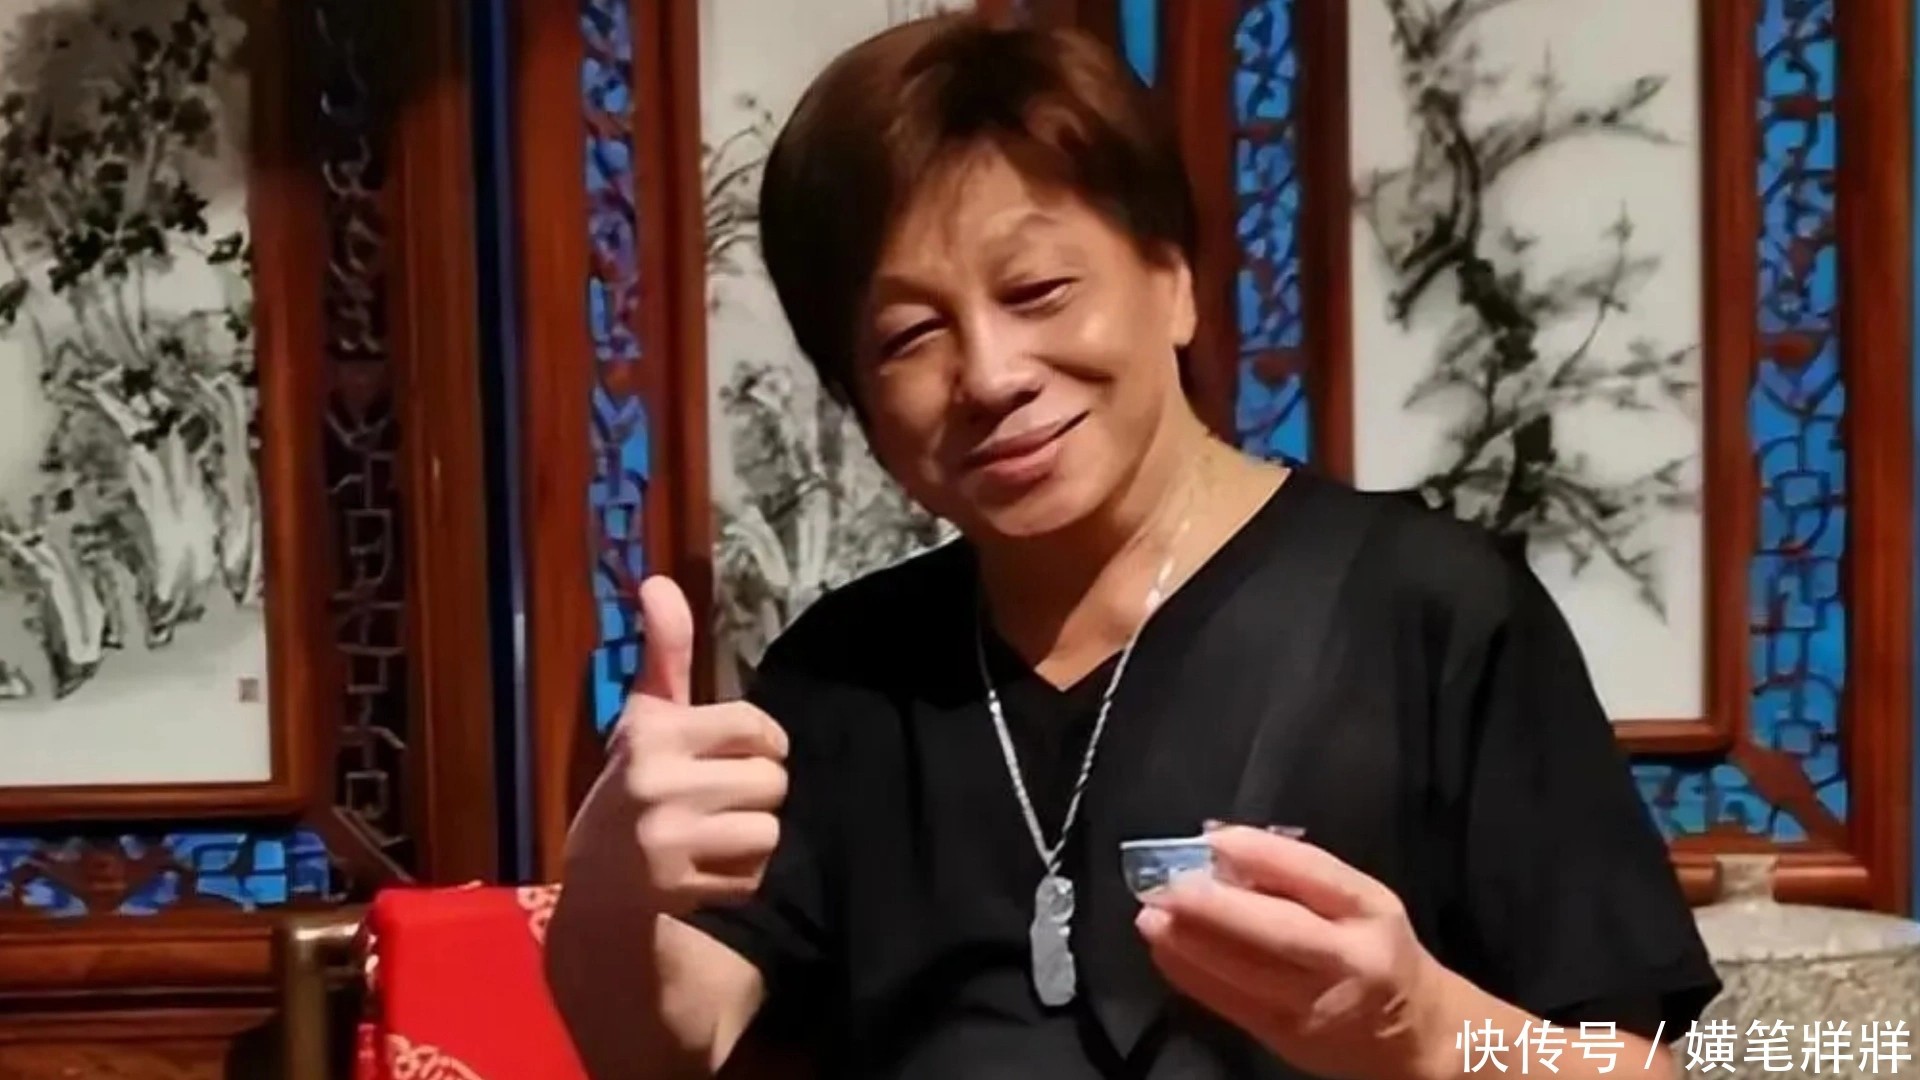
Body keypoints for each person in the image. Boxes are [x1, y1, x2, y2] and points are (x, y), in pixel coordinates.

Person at [545, 13, 1721, 1079]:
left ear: (1173, 281)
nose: (992, 374)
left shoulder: (1433, 613)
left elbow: (1640, 1071)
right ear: (858, 402)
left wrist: (1415, 1028)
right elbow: (665, 1049)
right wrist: (606, 884)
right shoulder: (845, 679)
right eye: (910, 335)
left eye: (1039, 289)